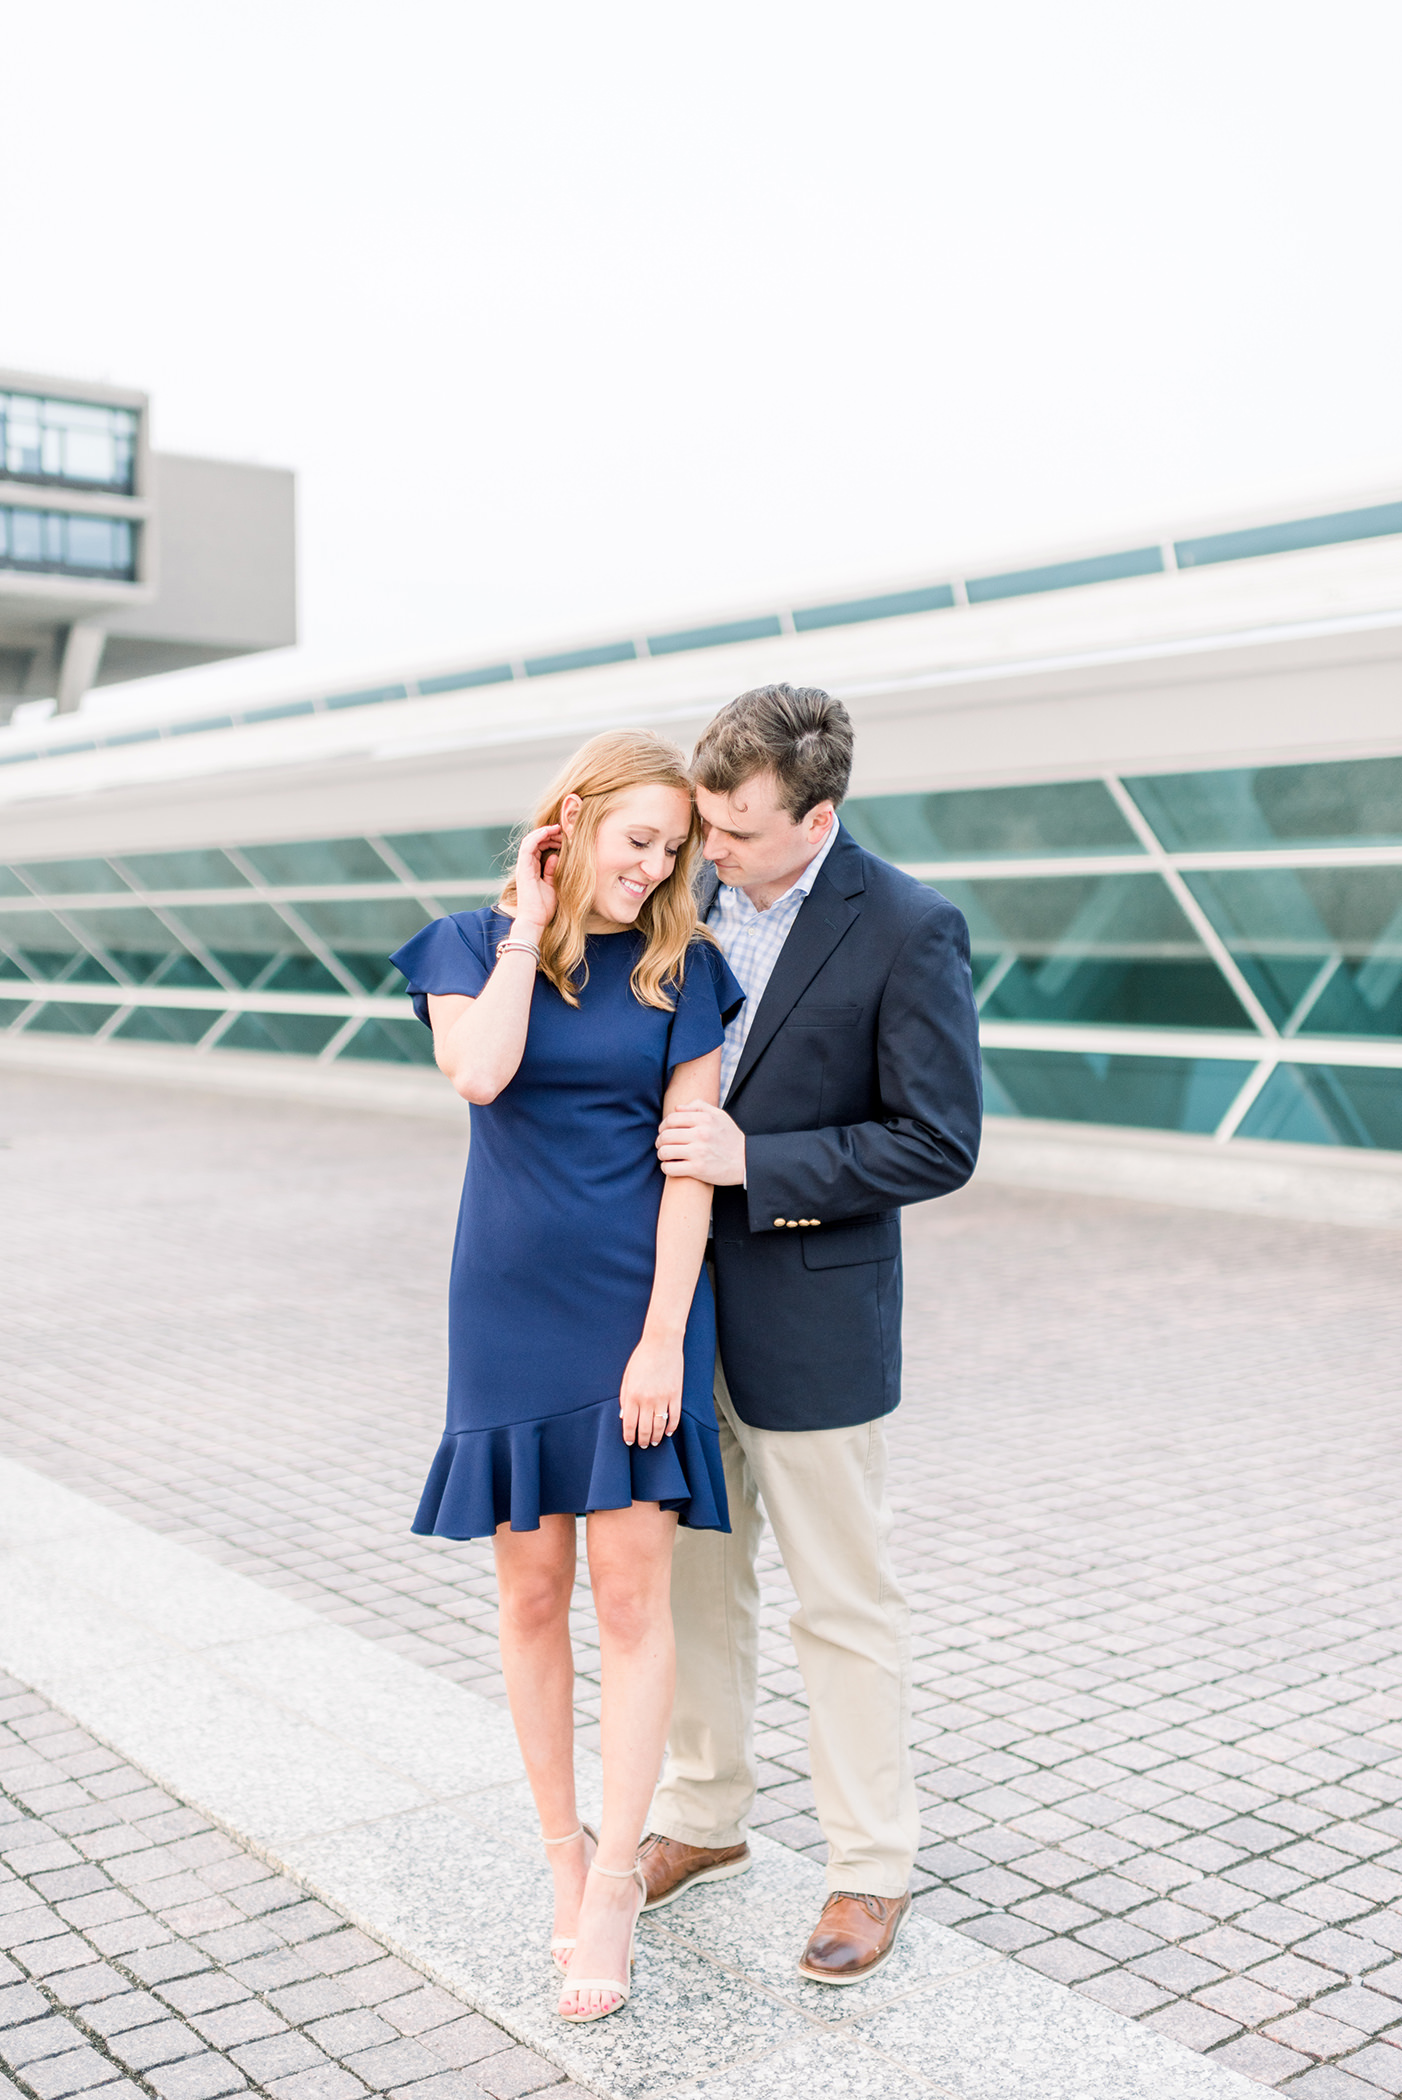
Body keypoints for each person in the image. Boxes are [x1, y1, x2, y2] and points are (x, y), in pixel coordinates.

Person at [390, 730, 743, 2024]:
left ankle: (613, 1889)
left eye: (672, 849)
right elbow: (479, 1071)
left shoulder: (686, 974)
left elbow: (689, 1167)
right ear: (569, 822)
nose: (652, 868)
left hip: (633, 1312)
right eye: (634, 839)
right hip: (503, 1310)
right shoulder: (459, 948)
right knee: (532, 1594)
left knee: (633, 1599)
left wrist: (663, 1339)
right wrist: (523, 926)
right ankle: (559, 1854)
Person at [641, 682, 982, 1983]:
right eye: (702, 822)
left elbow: (937, 1140)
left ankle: (866, 1869)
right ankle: (700, 1814)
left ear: (817, 815)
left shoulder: (906, 926)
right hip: (673, 1313)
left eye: (732, 829)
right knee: (693, 1584)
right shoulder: (684, 893)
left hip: (815, 1311)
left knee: (841, 1602)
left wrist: (754, 1161)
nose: (706, 848)